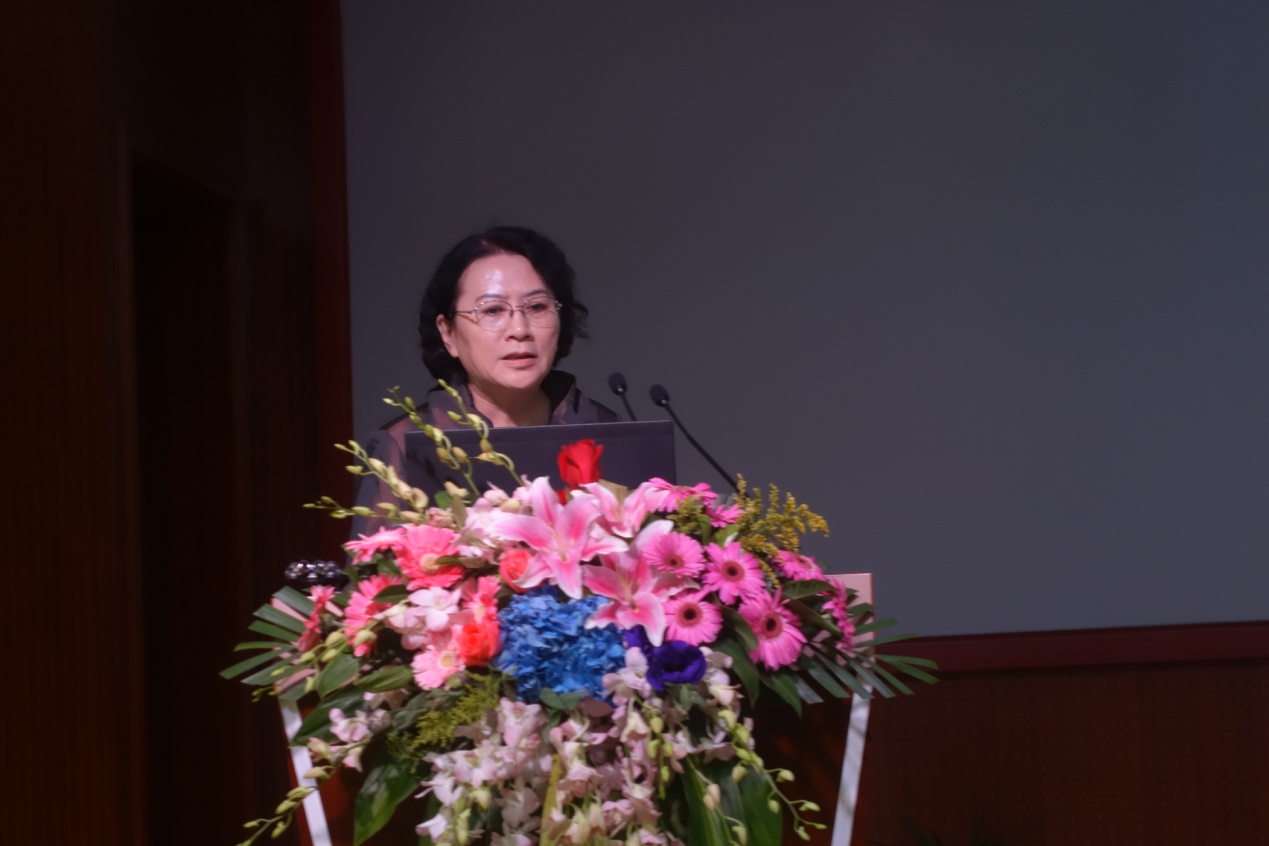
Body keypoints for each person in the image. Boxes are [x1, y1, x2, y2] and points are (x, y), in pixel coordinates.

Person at [350, 226, 619, 534]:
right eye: (492, 310)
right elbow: (377, 564)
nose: (519, 329)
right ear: (448, 333)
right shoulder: (403, 446)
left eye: (537, 307)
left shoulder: (603, 428)